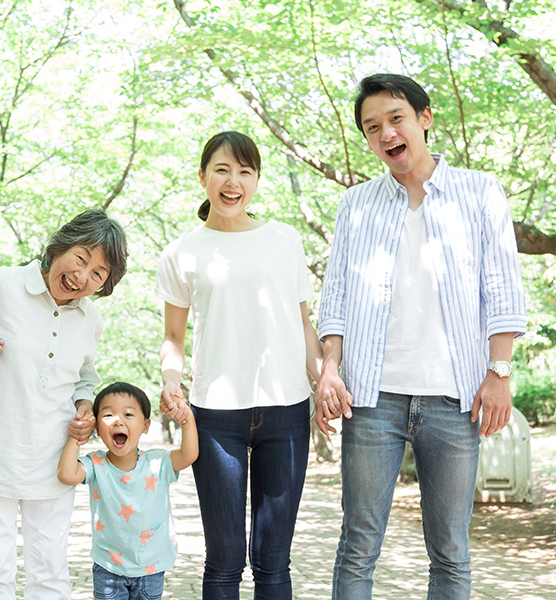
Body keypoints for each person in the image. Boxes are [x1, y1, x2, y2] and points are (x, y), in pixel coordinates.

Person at [315, 73, 527, 599]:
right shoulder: (356, 206)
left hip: (454, 399)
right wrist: (328, 372)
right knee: (358, 545)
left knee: (451, 551)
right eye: (372, 127)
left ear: (423, 120)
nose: (385, 133)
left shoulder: (479, 192)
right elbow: (336, 297)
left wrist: (498, 373)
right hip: (373, 400)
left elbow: (502, 288)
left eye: (395, 119)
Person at [155, 131, 323, 599]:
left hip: (287, 408)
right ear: (203, 176)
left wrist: (324, 380)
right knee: (224, 560)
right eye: (223, 170)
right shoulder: (182, 251)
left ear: (256, 181)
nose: (233, 182)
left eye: (245, 172)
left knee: (274, 562)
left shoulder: (283, 240)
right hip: (214, 415)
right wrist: (171, 381)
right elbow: (173, 336)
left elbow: (304, 324)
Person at [0, 208, 128, 600]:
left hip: (53, 462)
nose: (82, 276)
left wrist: (85, 406)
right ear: (60, 245)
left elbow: (85, 375)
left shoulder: (90, 318)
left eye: (98, 274)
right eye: (81, 258)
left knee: (50, 574)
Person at [57, 381, 199, 600]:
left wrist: (187, 419)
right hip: (108, 568)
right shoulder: (96, 465)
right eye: (107, 415)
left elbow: (189, 455)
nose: (118, 421)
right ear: (96, 427)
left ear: (145, 425)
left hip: (151, 568)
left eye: (129, 414)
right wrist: (77, 435)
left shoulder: (158, 463)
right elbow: (66, 474)